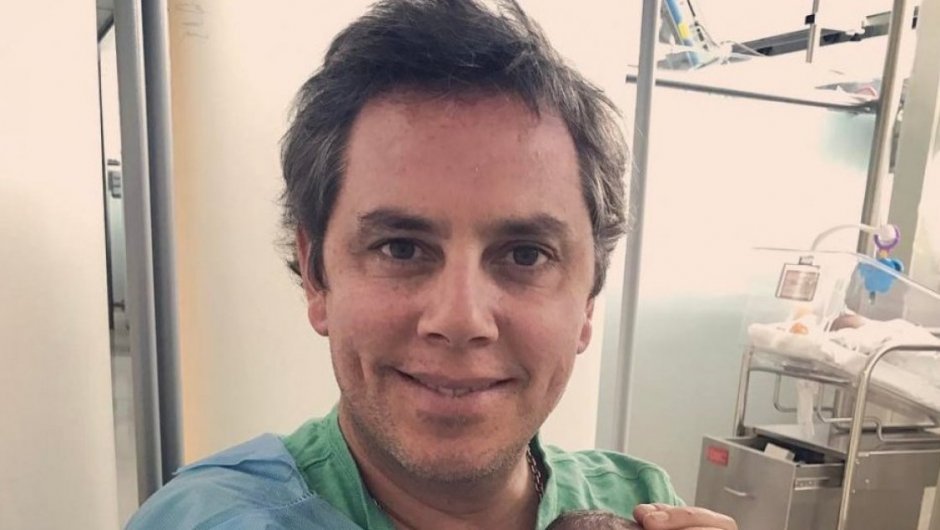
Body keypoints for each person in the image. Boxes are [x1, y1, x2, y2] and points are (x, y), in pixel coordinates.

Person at [128, 1, 737, 529]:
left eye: (526, 254)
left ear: (589, 300)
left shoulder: (640, 503)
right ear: (317, 277)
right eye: (401, 248)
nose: (461, 319)